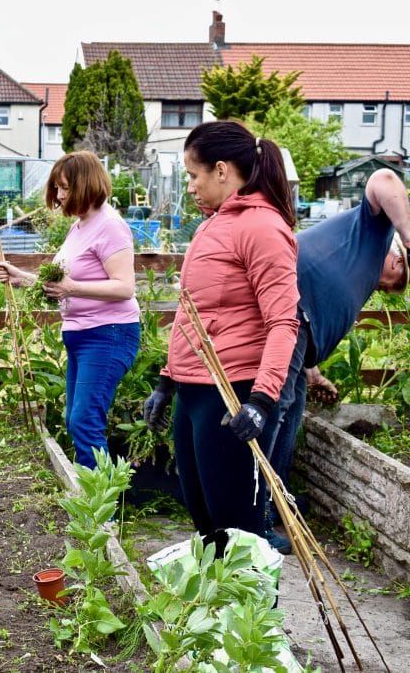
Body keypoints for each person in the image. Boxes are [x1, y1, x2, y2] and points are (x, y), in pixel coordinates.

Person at [143, 120, 299, 542]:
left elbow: (284, 322)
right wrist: (166, 381)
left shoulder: (263, 228)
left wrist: (262, 401)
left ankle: (258, 607)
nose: (190, 186)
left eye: (194, 175)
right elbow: (192, 313)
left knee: (239, 531)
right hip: (194, 390)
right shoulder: (212, 225)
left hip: (232, 395)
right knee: (205, 521)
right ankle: (217, 611)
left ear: (223, 170)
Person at [264, 169, 410, 553]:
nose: (386, 285)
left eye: (390, 290)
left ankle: (276, 498)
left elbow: (320, 312)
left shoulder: (361, 269)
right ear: (398, 256)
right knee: (274, 409)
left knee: (290, 411)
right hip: (290, 312)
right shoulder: (375, 229)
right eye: (395, 277)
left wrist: (313, 373)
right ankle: (256, 516)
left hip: (300, 327)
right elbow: (383, 178)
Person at [0, 150, 140, 468]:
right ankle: (93, 503)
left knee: (85, 422)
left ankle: (102, 513)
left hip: (107, 335)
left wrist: (72, 287)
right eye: (57, 188)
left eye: (65, 188)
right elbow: (65, 283)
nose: (59, 196)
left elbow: (124, 287)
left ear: (86, 185)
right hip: (81, 336)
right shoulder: (80, 226)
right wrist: (25, 279)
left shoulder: (110, 225)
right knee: (76, 421)